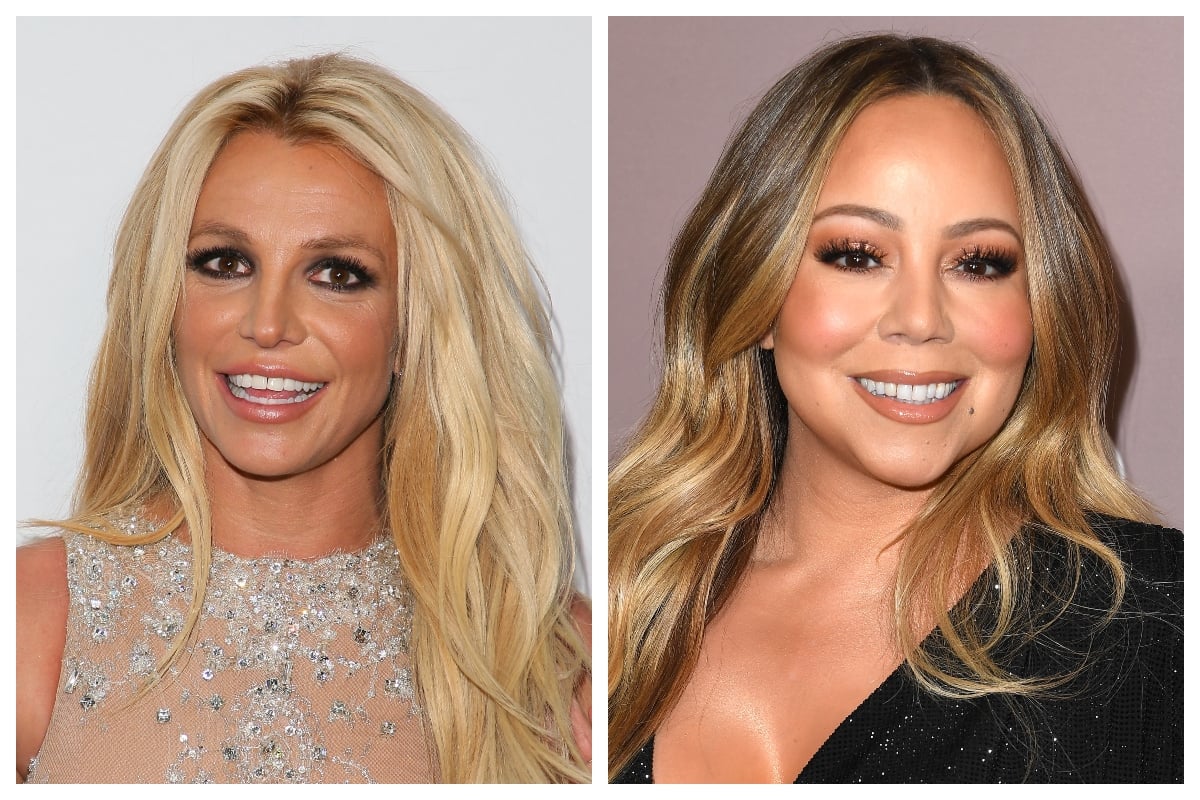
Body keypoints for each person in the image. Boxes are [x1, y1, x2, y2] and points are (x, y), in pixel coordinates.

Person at [608, 34, 1181, 783]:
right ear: (759, 295)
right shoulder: (619, 602)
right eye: (857, 255)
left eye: (978, 264)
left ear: (1042, 305)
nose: (920, 319)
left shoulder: (1158, 627)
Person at [16, 53, 590, 784]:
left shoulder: (553, 666)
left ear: (414, 325)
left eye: (337, 274)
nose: (267, 324)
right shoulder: (33, 621)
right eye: (226, 263)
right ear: (163, 301)